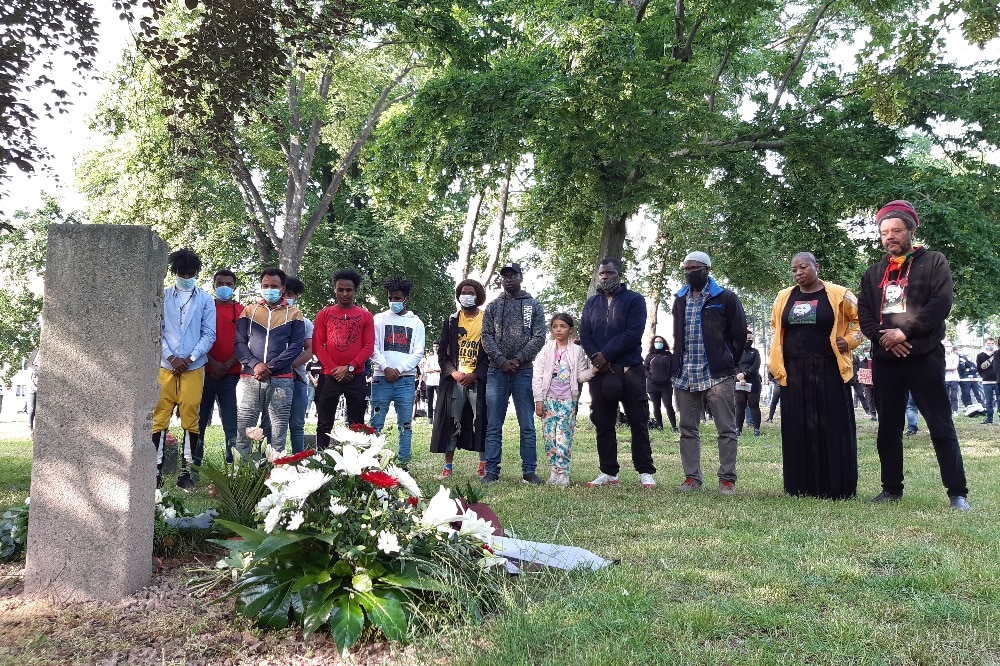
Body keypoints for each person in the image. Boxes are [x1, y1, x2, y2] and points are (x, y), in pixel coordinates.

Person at [857, 200, 970, 510]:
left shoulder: (934, 262)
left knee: (940, 425)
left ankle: (957, 492)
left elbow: (940, 304)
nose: (889, 237)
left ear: (911, 231)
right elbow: (864, 312)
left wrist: (904, 333)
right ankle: (891, 489)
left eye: (896, 231)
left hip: (924, 357)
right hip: (886, 360)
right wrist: (885, 338)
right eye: (884, 233)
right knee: (888, 428)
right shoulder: (874, 272)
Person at [769, 252, 864, 499]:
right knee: (797, 427)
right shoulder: (783, 296)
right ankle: (799, 486)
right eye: (794, 270)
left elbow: (862, 320)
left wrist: (850, 341)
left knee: (833, 427)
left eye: (803, 267)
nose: (798, 273)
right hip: (793, 371)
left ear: (816, 266)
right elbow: (776, 327)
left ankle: (837, 487)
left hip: (829, 368)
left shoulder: (840, 294)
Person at [671, 251, 747, 496]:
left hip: (717, 374)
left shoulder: (725, 298)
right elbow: (677, 335)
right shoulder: (679, 299)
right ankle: (692, 478)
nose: (689, 272)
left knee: (726, 428)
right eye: (686, 269)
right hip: (685, 373)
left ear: (707, 270)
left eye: (694, 268)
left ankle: (727, 480)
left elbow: (739, 334)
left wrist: (728, 360)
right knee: (687, 428)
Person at [579, 258, 656, 487]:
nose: (604, 277)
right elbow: (585, 334)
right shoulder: (591, 303)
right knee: (602, 422)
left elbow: (633, 332)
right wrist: (597, 358)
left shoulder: (634, 300)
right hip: (600, 372)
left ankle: (645, 471)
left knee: (638, 421)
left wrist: (607, 354)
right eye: (601, 273)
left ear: (619, 274)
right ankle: (608, 471)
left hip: (630, 369)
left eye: (609, 273)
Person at [153, 248, 216, 489]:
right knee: (160, 415)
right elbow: (156, 329)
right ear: (175, 272)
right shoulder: (163, 296)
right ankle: (155, 470)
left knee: (190, 414)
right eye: (182, 273)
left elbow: (209, 334)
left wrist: (190, 358)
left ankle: (186, 472)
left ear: (197, 273)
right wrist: (171, 357)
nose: (186, 277)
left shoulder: (205, 299)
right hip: (165, 365)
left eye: (190, 273)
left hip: (193, 366)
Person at [480, 261, 547, 485]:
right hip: (496, 372)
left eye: (513, 275)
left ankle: (529, 471)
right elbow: (486, 336)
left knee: (527, 424)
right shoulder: (492, 306)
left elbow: (539, 337)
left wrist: (518, 359)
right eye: (505, 276)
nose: (509, 279)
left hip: (523, 371)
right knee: (493, 425)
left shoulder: (533, 306)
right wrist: (500, 360)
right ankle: (491, 471)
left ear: (521, 277)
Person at [233, 267, 305, 459]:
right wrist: (255, 364)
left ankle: (275, 473)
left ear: (283, 288)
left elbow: (296, 346)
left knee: (277, 434)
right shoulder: (249, 311)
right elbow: (239, 343)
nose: (269, 289)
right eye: (265, 285)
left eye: (274, 286)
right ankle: (241, 474)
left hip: (282, 379)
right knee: (244, 432)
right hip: (250, 378)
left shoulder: (295, 314)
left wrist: (271, 366)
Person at [431, 279, 489, 479]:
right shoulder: (451, 321)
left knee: (481, 421)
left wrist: (476, 374)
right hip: (455, 380)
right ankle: (447, 467)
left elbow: (490, 353)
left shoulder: (487, 319)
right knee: (451, 422)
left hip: (478, 381)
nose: (466, 296)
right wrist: (452, 372)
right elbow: (442, 353)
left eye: (471, 292)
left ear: (478, 296)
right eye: (463, 292)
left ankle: (483, 465)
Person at [313, 268, 375, 450]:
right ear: (335, 289)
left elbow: (368, 346)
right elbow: (318, 346)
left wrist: (349, 367)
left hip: (356, 376)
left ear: (355, 291)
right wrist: (335, 369)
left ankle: (355, 460)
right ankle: (321, 458)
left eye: (349, 290)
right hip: (328, 376)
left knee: (356, 424)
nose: (345, 294)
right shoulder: (324, 314)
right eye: (341, 289)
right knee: (324, 423)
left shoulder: (365, 316)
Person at [533, 313, 594, 486]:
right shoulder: (546, 349)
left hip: (567, 400)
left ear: (570, 330)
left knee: (564, 437)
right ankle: (554, 471)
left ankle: (563, 472)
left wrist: (593, 371)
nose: (558, 330)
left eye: (563, 326)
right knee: (549, 437)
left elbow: (580, 375)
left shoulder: (577, 351)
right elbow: (537, 375)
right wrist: (539, 400)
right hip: (548, 400)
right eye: (555, 327)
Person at [369, 277, 425, 467]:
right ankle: (373, 463)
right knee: (375, 423)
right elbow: (372, 347)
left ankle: (403, 463)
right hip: (381, 378)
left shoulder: (416, 323)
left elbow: (418, 352)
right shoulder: (378, 319)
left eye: (397, 298)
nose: (393, 302)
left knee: (405, 425)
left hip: (405, 380)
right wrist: (385, 367)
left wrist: (398, 370)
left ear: (406, 299)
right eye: (390, 298)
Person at [197, 269, 243, 464]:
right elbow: (196, 337)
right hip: (203, 373)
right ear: (214, 285)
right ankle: (193, 466)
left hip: (230, 376)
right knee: (198, 423)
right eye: (220, 283)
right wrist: (212, 362)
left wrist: (226, 365)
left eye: (229, 284)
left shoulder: (242, 311)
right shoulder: (204, 308)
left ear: (234, 287)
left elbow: (246, 342)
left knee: (231, 424)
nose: (224, 287)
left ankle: (232, 466)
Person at [644, 335, 678, 432]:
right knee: (656, 406)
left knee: (668, 405)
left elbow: (674, 368)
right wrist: (649, 377)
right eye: (656, 342)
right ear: (653, 344)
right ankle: (660, 426)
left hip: (666, 385)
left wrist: (669, 377)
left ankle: (674, 427)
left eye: (660, 342)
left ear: (663, 344)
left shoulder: (669, 355)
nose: (658, 343)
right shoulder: (649, 356)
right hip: (652, 385)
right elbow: (644, 369)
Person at [735, 330, 763, 436]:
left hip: (753, 381)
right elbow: (734, 365)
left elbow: (756, 365)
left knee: (754, 404)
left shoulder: (755, 352)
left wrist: (745, 374)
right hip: (739, 382)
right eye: (747, 338)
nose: (749, 340)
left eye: (751, 339)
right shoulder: (736, 352)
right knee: (740, 405)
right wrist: (739, 376)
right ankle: (738, 429)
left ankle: (756, 429)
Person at [978, 337, 998, 424]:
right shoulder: (980, 355)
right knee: (988, 401)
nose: (991, 345)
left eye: (992, 343)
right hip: (986, 382)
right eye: (989, 343)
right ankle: (989, 419)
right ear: (985, 344)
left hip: (997, 381)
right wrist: (984, 376)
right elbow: (979, 368)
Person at [421, 343, 441, 422]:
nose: (435, 348)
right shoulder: (429, 358)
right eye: (434, 346)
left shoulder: (441, 357)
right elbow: (425, 370)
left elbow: (442, 369)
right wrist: (436, 370)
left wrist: (432, 369)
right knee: (429, 400)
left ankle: (438, 416)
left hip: (439, 381)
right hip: (430, 382)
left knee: (439, 400)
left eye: (437, 346)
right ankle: (430, 417)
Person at [943, 341, 960, 414]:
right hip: (944, 379)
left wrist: (944, 368)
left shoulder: (955, 356)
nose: (949, 348)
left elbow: (954, 367)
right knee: (945, 396)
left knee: (954, 396)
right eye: (947, 346)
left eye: (950, 346)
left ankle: (955, 410)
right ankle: (946, 410)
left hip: (954, 378)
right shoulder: (941, 356)